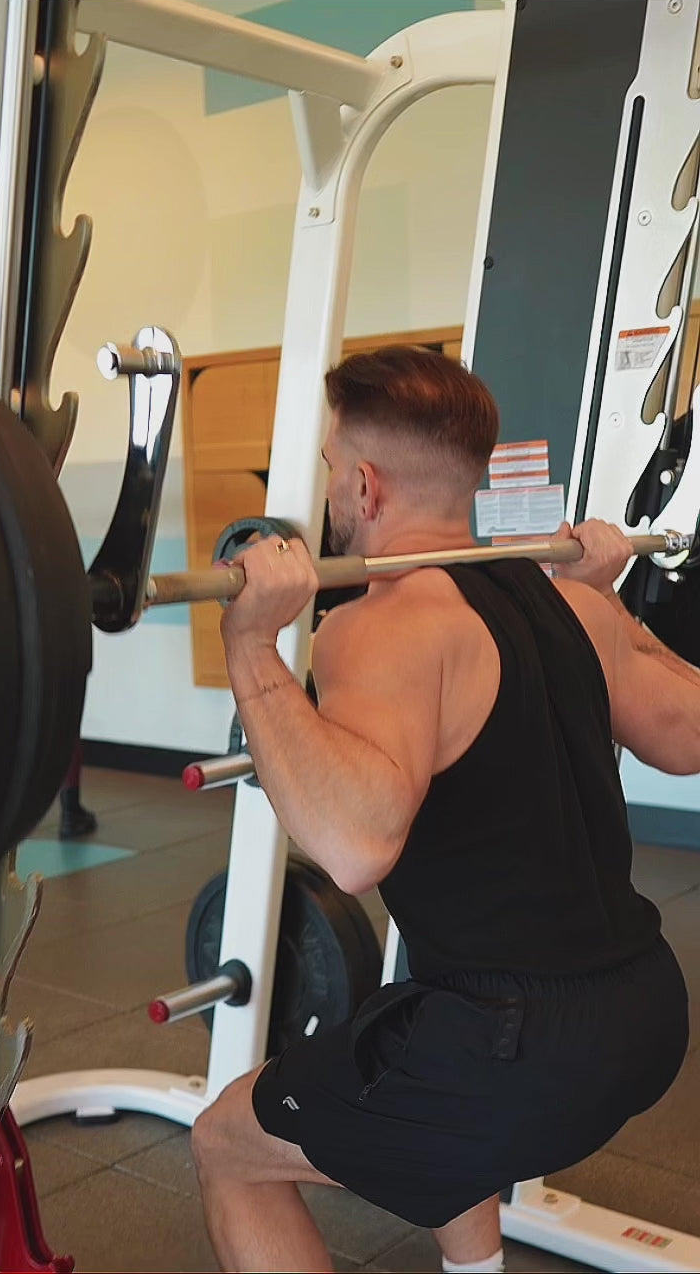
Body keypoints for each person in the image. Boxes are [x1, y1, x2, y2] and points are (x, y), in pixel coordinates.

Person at [191, 347, 698, 1274]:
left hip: (512, 1054)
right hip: (648, 1014)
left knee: (226, 1143)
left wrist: (253, 646)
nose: (333, 489)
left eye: (333, 467)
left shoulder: (379, 626)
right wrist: (615, 608)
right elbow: (690, 735)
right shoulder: (574, 608)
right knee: (410, 1034)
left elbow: (354, 848)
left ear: (366, 485)